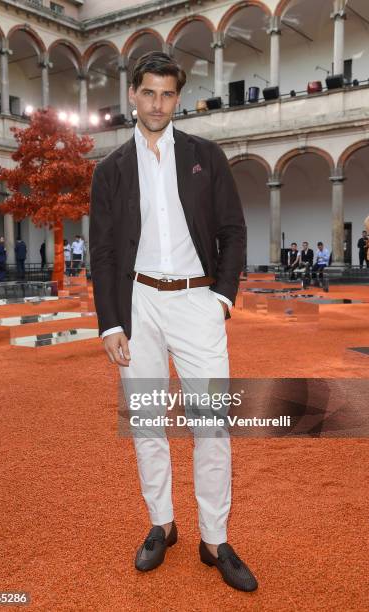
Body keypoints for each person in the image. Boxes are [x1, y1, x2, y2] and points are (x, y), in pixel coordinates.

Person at [89, 51, 257, 592]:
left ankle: (215, 538)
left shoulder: (207, 155)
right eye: (148, 93)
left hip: (196, 302)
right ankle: (162, 524)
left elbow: (232, 230)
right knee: (147, 422)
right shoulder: (111, 169)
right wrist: (111, 323)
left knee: (212, 424)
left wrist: (222, 299)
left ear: (177, 99)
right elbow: (105, 252)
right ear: (132, 95)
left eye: (167, 94)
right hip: (137, 304)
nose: (157, 104)